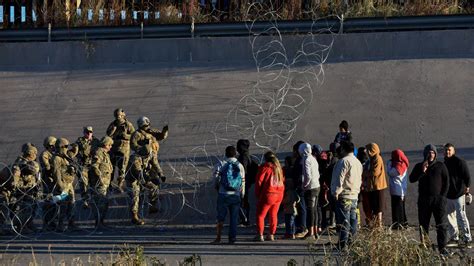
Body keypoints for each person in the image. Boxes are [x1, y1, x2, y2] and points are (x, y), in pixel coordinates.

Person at [409, 144, 450, 256]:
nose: (431, 154)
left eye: (433, 152)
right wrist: (422, 171)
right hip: (424, 200)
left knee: (441, 225)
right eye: (429, 152)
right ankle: (425, 247)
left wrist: (442, 197)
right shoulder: (419, 166)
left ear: (435, 154)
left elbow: (446, 182)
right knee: (423, 225)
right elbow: (411, 179)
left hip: (438, 201)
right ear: (425, 154)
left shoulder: (441, 166)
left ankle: (442, 248)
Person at [331, 141, 363, 250]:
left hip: (344, 195)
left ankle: (343, 243)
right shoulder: (358, 162)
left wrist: (336, 192)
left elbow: (340, 178)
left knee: (344, 220)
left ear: (343, 149)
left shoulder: (343, 161)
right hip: (354, 194)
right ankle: (351, 241)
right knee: (353, 219)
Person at [211, 145, 245, 244]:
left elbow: (215, 178)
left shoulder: (221, 163)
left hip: (223, 193)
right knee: (234, 218)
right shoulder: (240, 165)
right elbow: (243, 181)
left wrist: (217, 187)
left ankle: (218, 237)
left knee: (220, 217)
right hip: (235, 195)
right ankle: (232, 238)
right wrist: (242, 194)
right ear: (235, 154)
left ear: (226, 153)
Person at [126, 140, 161, 225]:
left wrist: (158, 175)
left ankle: (152, 205)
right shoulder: (134, 159)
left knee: (153, 188)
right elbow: (138, 172)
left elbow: (153, 164)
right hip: (133, 180)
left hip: (141, 178)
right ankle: (134, 217)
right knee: (135, 197)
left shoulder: (147, 155)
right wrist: (148, 179)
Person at [444, 143, 472, 246]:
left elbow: (467, 177)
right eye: (446, 150)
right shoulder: (445, 163)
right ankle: (454, 238)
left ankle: (467, 239)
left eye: (449, 150)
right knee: (450, 217)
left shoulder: (460, 162)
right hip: (448, 195)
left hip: (459, 194)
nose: (447, 152)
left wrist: (467, 190)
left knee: (461, 216)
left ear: (453, 151)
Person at [254, 151, 285, 242]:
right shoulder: (279, 168)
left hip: (268, 194)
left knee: (260, 215)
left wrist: (258, 194)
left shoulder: (265, 167)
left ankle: (260, 234)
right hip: (279, 194)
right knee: (273, 214)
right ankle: (271, 234)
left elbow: (259, 181)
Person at [130, 116, 168, 189]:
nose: (147, 127)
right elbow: (132, 145)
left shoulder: (151, 131)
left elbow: (161, 136)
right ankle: (145, 192)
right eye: (145, 126)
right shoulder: (136, 134)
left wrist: (164, 131)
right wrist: (141, 148)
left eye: (148, 125)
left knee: (156, 178)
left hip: (152, 155)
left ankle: (155, 194)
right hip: (142, 157)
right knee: (145, 178)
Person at [11, 143, 41, 234]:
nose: (35, 154)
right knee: (24, 208)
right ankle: (21, 226)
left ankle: (29, 223)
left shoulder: (29, 161)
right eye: (34, 153)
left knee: (32, 207)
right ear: (30, 153)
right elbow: (30, 170)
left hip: (31, 188)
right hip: (23, 190)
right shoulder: (21, 162)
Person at [52, 138, 79, 232]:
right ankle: (60, 225)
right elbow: (56, 173)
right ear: (61, 147)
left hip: (69, 185)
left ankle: (71, 224)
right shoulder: (57, 158)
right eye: (66, 146)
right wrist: (61, 186)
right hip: (63, 185)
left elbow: (73, 153)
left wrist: (75, 147)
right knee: (63, 206)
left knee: (72, 203)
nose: (67, 149)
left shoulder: (64, 156)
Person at [106, 108, 135, 191]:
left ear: (123, 115)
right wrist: (113, 129)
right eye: (117, 116)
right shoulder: (113, 124)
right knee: (111, 167)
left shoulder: (128, 125)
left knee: (122, 168)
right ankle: (109, 185)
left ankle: (120, 185)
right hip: (113, 148)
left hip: (124, 149)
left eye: (119, 116)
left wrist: (125, 136)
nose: (118, 118)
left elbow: (134, 135)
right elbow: (108, 134)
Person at [89, 136, 114, 229]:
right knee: (100, 203)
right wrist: (100, 179)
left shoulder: (105, 153)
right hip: (100, 183)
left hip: (105, 182)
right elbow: (95, 166)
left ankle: (101, 222)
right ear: (105, 144)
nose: (111, 147)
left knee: (105, 202)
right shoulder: (98, 152)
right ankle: (98, 223)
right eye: (110, 145)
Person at [298, 142, 320, 240]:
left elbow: (307, 175)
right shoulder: (313, 159)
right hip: (317, 186)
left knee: (310, 210)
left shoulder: (306, 160)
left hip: (310, 188)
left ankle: (310, 231)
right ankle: (315, 231)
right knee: (314, 210)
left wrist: (304, 185)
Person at [75, 126, 100, 208]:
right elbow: (76, 151)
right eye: (87, 132)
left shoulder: (96, 141)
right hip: (83, 166)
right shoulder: (80, 141)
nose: (89, 134)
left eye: (90, 132)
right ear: (84, 133)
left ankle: (93, 199)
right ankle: (85, 201)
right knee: (84, 184)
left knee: (93, 183)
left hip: (93, 166)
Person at [364, 143, 387, 227]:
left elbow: (375, 172)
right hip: (372, 187)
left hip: (378, 187)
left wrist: (365, 173)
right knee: (373, 207)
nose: (367, 152)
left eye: (368, 150)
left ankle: (379, 226)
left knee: (378, 208)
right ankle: (376, 225)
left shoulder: (377, 158)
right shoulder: (371, 159)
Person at [236, 139, 258, 226]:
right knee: (244, 199)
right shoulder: (247, 155)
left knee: (242, 200)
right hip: (247, 182)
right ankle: (245, 218)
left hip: (244, 182)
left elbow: (243, 170)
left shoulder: (243, 157)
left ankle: (244, 219)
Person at [386, 149, 409, 229]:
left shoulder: (398, 167)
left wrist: (389, 164)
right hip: (401, 190)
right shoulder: (404, 164)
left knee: (397, 209)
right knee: (401, 208)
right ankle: (403, 223)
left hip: (397, 190)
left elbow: (390, 173)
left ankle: (398, 224)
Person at [39, 136, 58, 230]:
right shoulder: (45, 154)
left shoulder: (54, 153)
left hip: (54, 181)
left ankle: (53, 222)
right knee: (48, 203)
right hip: (48, 182)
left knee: (55, 202)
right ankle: (46, 223)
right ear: (51, 145)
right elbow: (47, 168)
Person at [282, 156, 299, 239]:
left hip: (288, 203)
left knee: (289, 218)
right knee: (292, 218)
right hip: (293, 204)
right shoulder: (295, 191)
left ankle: (289, 232)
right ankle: (292, 232)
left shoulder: (287, 171)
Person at [357, 147, 371, 226]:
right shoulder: (368, 162)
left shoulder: (357, 161)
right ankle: (368, 221)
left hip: (359, 186)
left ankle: (358, 222)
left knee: (358, 205)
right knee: (367, 205)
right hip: (366, 186)